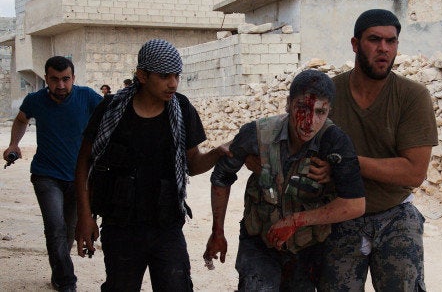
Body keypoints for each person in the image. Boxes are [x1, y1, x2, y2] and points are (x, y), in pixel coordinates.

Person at [74, 39, 228, 291]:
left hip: (167, 226)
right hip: (121, 226)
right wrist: (84, 216)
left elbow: (192, 164)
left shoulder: (182, 109)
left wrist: (216, 154)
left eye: (177, 76)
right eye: (165, 76)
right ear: (142, 75)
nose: (173, 83)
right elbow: (84, 163)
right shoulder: (112, 110)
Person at [203, 69, 365, 291]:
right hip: (260, 242)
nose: (309, 122)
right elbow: (221, 177)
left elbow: (354, 204)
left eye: (320, 112)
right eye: (302, 108)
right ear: (288, 104)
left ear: (329, 111)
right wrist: (217, 232)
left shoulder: (335, 142)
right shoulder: (257, 134)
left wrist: (296, 220)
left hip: (308, 247)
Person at [317, 9, 439, 291]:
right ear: (355, 44)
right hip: (340, 213)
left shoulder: (412, 96)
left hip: (394, 214)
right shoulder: (329, 94)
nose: (384, 48)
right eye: (374, 39)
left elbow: (413, 172)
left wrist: (345, 163)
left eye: (391, 41)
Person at [2, 56, 103, 291]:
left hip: (79, 178)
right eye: (54, 79)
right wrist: (13, 144)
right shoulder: (35, 100)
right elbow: (20, 120)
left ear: (73, 78)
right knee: (55, 227)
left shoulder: (87, 97)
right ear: (46, 78)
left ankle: (59, 271)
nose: (60, 85)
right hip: (46, 175)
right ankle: (67, 281)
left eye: (65, 79)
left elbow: (111, 116)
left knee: (68, 230)